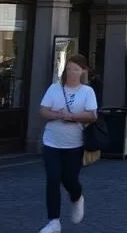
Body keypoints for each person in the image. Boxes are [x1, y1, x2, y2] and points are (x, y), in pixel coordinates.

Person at [37, 54, 98, 233]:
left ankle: (77, 197)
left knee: (70, 179)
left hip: (74, 143)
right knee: (53, 179)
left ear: (83, 71)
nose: (72, 72)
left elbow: (92, 115)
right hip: (52, 142)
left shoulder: (87, 92)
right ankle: (54, 221)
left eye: (76, 69)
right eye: (69, 68)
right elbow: (43, 110)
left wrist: (72, 116)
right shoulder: (55, 89)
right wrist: (58, 115)